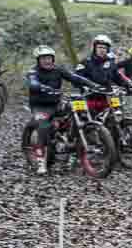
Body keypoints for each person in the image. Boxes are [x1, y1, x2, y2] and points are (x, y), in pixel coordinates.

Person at [26, 45, 98, 175]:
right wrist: (42, 87)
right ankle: (41, 161)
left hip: (57, 103)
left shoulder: (58, 69)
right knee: (43, 127)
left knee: (80, 111)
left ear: (53, 59)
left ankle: (75, 146)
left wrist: (93, 85)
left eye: (49, 58)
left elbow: (74, 77)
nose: (47, 61)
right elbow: (33, 83)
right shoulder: (33, 72)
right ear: (38, 60)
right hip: (40, 105)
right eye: (43, 58)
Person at [74, 34, 132, 114]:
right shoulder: (85, 62)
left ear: (108, 50)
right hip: (90, 97)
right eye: (99, 47)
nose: (102, 50)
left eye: (104, 48)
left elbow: (117, 76)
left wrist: (128, 85)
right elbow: (77, 78)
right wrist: (85, 86)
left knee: (117, 114)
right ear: (94, 48)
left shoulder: (110, 63)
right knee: (88, 121)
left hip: (107, 95)